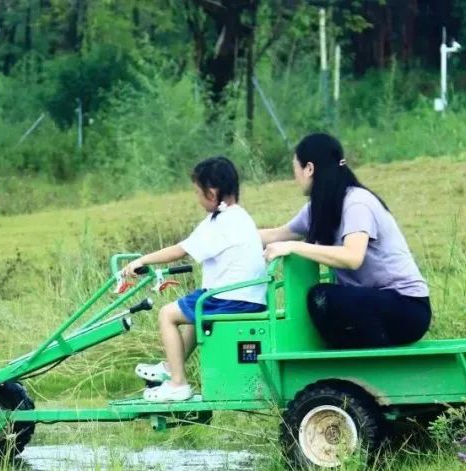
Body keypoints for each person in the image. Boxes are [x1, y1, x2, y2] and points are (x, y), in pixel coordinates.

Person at [259, 133, 431, 349]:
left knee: (322, 297)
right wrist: (232, 235)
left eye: (295, 169)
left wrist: (294, 246)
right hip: (373, 303)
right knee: (323, 300)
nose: (295, 177)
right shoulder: (319, 208)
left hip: (407, 307)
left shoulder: (356, 203)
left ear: (309, 169)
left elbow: (352, 257)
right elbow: (276, 235)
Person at [123, 156, 267, 402]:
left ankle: (178, 384)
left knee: (167, 314)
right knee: (191, 314)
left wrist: (142, 261)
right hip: (246, 297)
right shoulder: (240, 216)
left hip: (230, 300)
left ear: (211, 193)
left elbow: (180, 250)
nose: (197, 198)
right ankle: (171, 368)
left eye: (197, 192)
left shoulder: (221, 223)